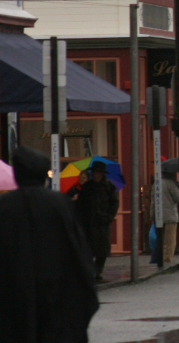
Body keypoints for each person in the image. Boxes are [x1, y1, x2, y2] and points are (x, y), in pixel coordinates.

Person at [0, 147, 99, 342]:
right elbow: (78, 252)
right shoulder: (60, 205)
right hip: (56, 296)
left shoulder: (5, 207)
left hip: (14, 297)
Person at [77, 160, 119, 281]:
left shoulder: (109, 187)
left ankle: (98, 271)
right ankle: (91, 271)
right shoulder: (87, 187)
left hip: (102, 223)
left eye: (99, 173)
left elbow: (114, 203)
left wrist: (108, 217)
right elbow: (81, 205)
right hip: (88, 223)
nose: (97, 175)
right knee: (88, 249)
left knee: (102, 250)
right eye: (95, 172)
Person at [160, 171, 179, 264]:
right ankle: (167, 260)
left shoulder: (156, 183)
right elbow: (178, 198)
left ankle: (159, 258)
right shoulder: (171, 184)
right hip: (170, 215)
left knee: (160, 238)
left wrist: (152, 214)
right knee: (170, 240)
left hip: (159, 216)